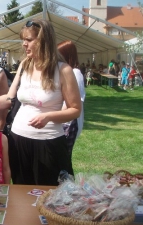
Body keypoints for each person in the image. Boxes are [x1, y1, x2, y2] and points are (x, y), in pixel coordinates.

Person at [0, 19, 81, 185]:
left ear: (43, 41)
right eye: (23, 40)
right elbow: (10, 99)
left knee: (49, 195)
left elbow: (75, 109)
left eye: (28, 40)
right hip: (18, 140)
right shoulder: (24, 65)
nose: (24, 44)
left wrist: (48, 117)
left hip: (48, 143)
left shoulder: (63, 70)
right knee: (21, 191)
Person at [57, 40, 85, 168]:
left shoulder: (75, 73)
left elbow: (73, 102)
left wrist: (54, 116)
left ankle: (68, 185)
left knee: (64, 161)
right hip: (64, 122)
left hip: (69, 123)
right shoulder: (68, 72)